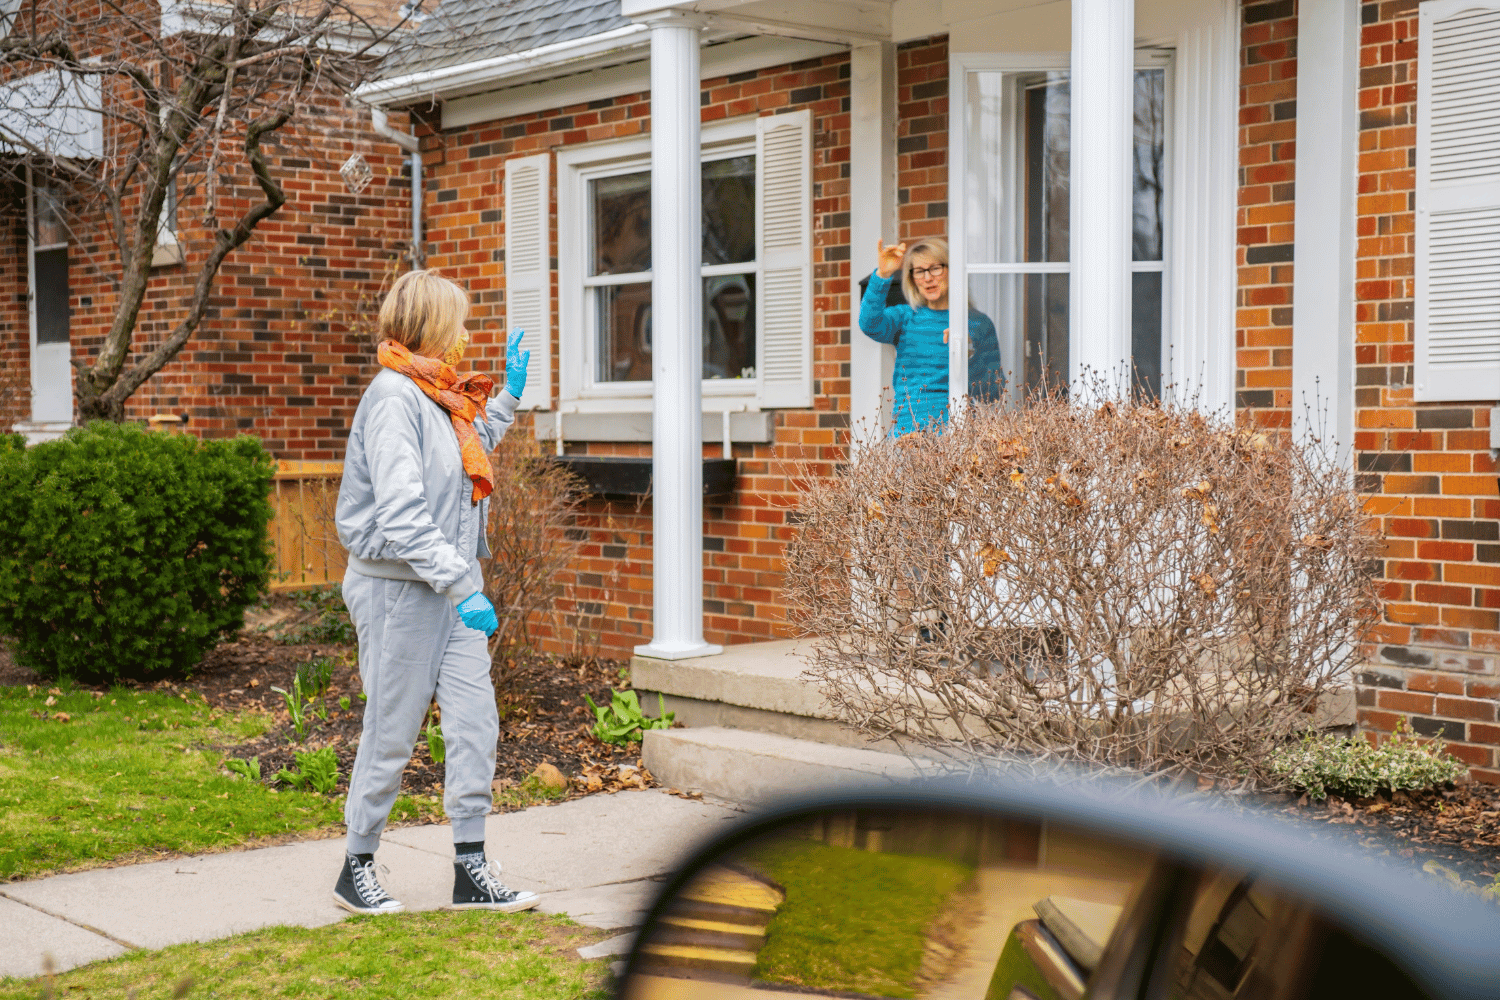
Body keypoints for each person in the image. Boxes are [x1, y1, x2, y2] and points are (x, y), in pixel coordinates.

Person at [331, 269, 539, 915]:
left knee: (476, 725)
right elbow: (400, 513)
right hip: (399, 592)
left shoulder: (439, 395)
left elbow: (460, 460)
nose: (467, 333)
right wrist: (459, 584)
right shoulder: (394, 396)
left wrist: (504, 400)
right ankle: (356, 867)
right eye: (460, 321)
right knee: (391, 732)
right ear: (430, 325)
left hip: (451, 590)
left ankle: (471, 870)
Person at [858, 237, 1002, 435]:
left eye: (935, 268)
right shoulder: (906, 317)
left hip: (959, 434)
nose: (927, 278)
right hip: (909, 433)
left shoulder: (977, 323)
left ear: (953, 271)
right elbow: (869, 324)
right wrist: (883, 274)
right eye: (919, 271)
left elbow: (991, 394)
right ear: (912, 279)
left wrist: (968, 352)